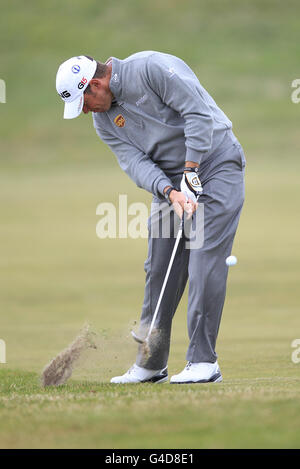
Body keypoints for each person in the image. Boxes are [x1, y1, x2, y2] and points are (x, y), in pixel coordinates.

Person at [56, 51, 245, 384]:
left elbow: (197, 113)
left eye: (84, 103)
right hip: (172, 185)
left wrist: (191, 169)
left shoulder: (151, 68)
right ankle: (150, 363)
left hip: (216, 163)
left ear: (96, 84)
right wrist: (170, 192)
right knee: (158, 269)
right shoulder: (103, 121)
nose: (85, 112)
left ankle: (204, 361)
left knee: (203, 259)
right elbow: (136, 164)